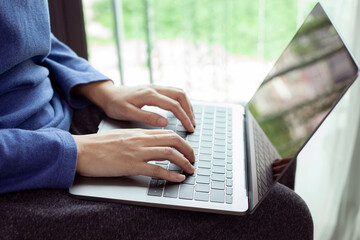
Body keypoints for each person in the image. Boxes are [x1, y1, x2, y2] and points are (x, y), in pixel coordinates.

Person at [0, 1, 312, 239]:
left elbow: (29, 36)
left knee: (258, 154)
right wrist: (77, 152)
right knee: (283, 214)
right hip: (21, 171)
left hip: (61, 114)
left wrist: (102, 90)